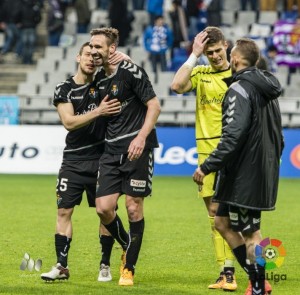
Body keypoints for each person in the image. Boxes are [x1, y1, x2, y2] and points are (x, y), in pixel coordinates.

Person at [192, 37, 283, 295]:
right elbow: (280, 135)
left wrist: (207, 166)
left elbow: (233, 135)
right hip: (255, 170)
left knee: (252, 233)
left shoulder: (240, 89)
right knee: (221, 222)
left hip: (246, 173)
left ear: (234, 60)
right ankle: (258, 281)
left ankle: (257, 288)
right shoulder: (266, 90)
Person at [40, 43, 130, 282]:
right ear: (78, 56)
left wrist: (121, 57)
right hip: (74, 160)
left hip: (104, 160)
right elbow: (68, 122)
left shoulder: (103, 83)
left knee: (106, 212)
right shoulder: (65, 88)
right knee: (64, 210)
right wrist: (99, 111)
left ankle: (105, 264)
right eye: (87, 54)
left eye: (95, 55)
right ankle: (61, 266)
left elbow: (128, 72)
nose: (91, 58)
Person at [89, 27, 161, 286]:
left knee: (133, 207)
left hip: (136, 150)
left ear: (112, 48)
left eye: (100, 46)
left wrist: (141, 138)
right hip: (110, 151)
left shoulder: (131, 72)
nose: (95, 51)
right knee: (103, 208)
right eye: (92, 46)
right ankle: (127, 245)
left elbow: (154, 105)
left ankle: (128, 267)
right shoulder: (98, 80)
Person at [171, 27, 238, 291]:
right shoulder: (200, 73)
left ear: (226, 46)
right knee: (214, 214)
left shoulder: (238, 74)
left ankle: (255, 271)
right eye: (208, 52)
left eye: (218, 51)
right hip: (206, 154)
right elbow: (176, 86)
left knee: (239, 215)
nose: (214, 56)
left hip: (234, 152)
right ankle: (226, 271)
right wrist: (193, 55)